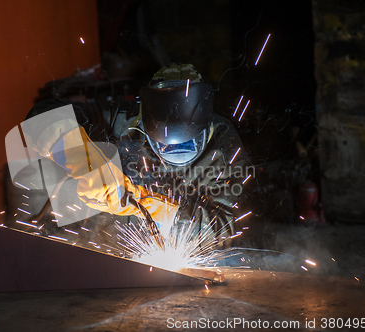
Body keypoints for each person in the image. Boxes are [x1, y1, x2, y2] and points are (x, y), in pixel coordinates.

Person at [16, 63, 248, 251]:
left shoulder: (224, 144)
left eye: (188, 143)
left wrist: (161, 210)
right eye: (163, 145)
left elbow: (228, 226)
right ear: (144, 124)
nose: (174, 152)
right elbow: (40, 116)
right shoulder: (119, 120)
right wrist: (80, 156)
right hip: (107, 252)